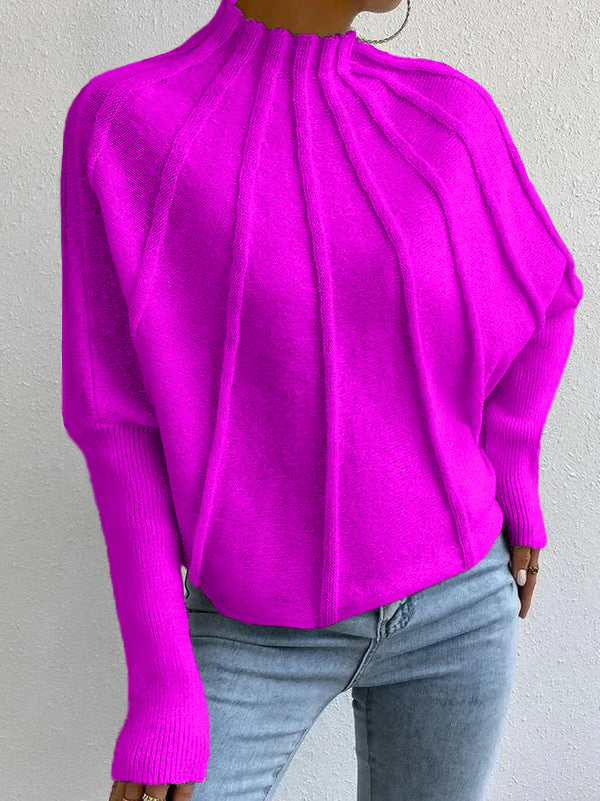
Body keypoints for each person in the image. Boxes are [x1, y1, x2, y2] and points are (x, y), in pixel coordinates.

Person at [60, 0, 584, 799]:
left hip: (459, 603)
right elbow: (117, 422)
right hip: (250, 630)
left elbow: (548, 297)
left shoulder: (449, 116)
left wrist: (514, 474)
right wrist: (162, 690)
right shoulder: (126, 123)